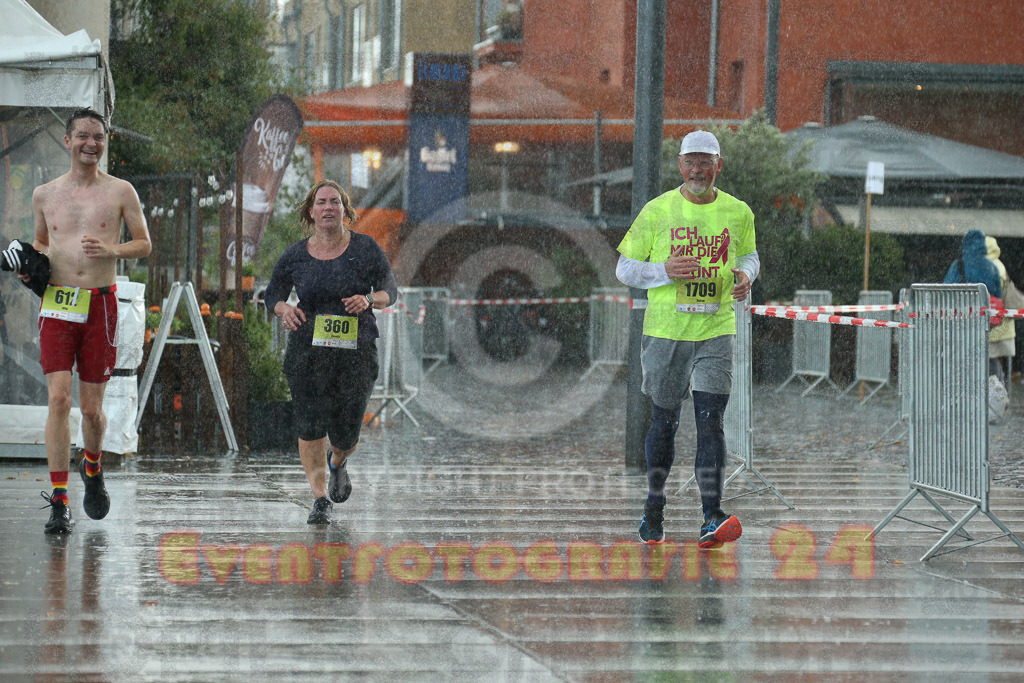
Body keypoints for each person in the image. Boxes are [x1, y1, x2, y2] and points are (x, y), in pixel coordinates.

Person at [1, 108, 151, 534]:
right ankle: (60, 500)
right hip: (58, 303)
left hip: (100, 304)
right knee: (58, 401)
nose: (91, 143)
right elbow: (42, 242)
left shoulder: (121, 191)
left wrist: (112, 250)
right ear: (67, 142)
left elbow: (143, 244)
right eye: (83, 135)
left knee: (91, 410)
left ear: (105, 143)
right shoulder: (45, 194)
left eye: (99, 137)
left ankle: (93, 465)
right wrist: (28, 263)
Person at [615, 129, 758, 549]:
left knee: (711, 422)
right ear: (680, 166)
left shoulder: (738, 212)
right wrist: (663, 271)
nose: (698, 170)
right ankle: (654, 507)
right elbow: (624, 268)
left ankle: (711, 515)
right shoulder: (658, 211)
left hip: (716, 329)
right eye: (690, 162)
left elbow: (749, 253)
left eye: (705, 162)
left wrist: (748, 274)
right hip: (666, 332)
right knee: (664, 423)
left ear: (719, 165)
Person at [263, 179, 397, 525]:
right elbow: (272, 294)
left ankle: (338, 461)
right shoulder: (295, 254)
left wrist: (369, 299)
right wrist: (284, 310)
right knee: (309, 424)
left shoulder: (365, 249)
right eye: (321, 202)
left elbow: (389, 290)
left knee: (347, 431)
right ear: (311, 211)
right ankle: (320, 498)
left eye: (334, 202)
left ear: (344, 210)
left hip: (356, 352)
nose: (328, 207)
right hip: (308, 351)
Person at [943, 229, 1003, 376]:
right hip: (983, 321)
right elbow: (998, 295)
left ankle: (959, 388)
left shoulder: (958, 266)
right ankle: (989, 389)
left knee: (958, 357)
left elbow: (945, 290)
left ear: (965, 244)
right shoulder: (991, 267)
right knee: (984, 354)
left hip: (960, 321)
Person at [985, 236, 1015, 386]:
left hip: (993, 324)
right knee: (996, 360)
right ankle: (1000, 393)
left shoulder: (986, 267)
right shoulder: (999, 265)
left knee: (990, 360)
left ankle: (998, 395)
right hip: (1003, 323)